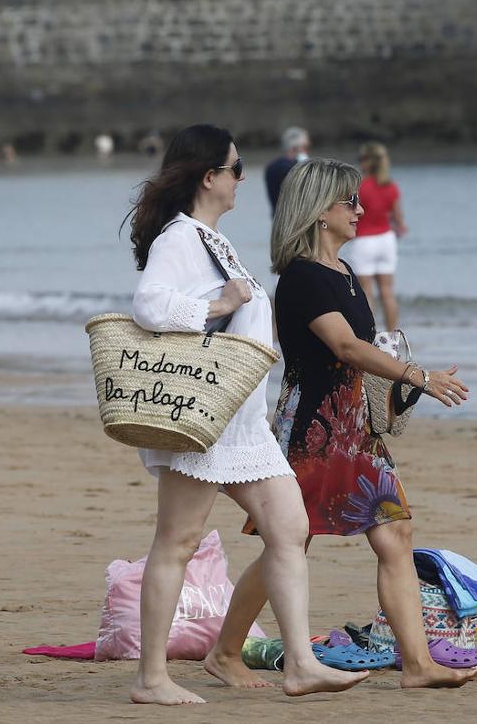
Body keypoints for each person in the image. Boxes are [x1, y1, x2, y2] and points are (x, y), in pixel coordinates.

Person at [209, 156, 477, 689]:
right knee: (289, 543)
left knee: (395, 533)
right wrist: (418, 375)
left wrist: (398, 387)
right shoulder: (303, 278)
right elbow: (345, 346)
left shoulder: (345, 272)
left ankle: (419, 665)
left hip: (358, 429)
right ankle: (224, 652)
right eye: (348, 202)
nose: (360, 210)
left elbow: (363, 349)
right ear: (317, 213)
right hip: (313, 429)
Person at [124, 124, 368, 704]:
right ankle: (151, 679)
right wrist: (220, 304)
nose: (242, 177)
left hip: (242, 421)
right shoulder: (180, 238)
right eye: (235, 168)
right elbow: (150, 304)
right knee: (177, 541)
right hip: (201, 417)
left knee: (290, 528)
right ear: (210, 177)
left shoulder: (212, 238)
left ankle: (301, 664)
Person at [341, 141, 407, 331]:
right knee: (387, 291)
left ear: (367, 162)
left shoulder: (361, 186)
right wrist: (400, 227)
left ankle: (371, 334)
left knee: (367, 292)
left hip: (365, 241)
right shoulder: (391, 186)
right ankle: (393, 335)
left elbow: (352, 213)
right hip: (386, 239)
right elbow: (398, 219)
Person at [264, 126, 310, 214]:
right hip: (292, 220)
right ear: (296, 147)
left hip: (278, 219)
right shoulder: (289, 168)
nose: (307, 151)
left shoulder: (272, 166)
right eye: (305, 147)